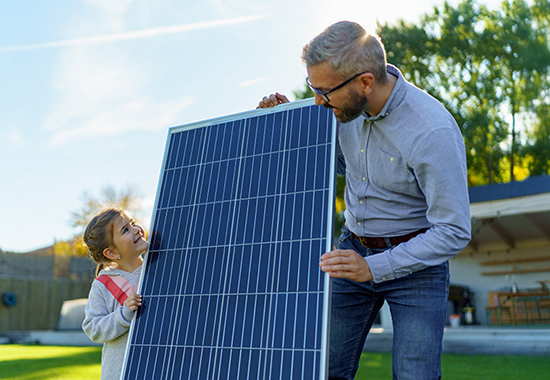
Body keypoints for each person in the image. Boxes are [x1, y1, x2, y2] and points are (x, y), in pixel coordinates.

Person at [258, 21, 471, 380]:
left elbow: (453, 229)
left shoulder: (431, 132)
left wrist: (376, 268)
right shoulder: (345, 110)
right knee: (323, 368)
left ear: (365, 83)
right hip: (352, 252)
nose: (317, 101)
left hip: (416, 266)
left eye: (324, 91)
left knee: (414, 375)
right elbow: (337, 163)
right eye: (314, 87)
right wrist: (287, 122)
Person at [82, 207, 147, 380]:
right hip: (120, 373)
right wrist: (123, 315)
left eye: (132, 223)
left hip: (156, 366)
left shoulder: (159, 269)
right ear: (112, 253)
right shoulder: (103, 285)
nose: (136, 229)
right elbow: (92, 328)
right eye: (126, 229)